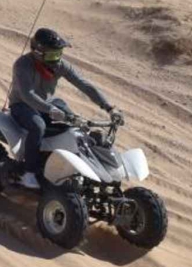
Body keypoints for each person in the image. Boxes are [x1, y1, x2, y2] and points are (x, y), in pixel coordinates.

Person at [7, 28, 119, 189]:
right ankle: (29, 173)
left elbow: (84, 84)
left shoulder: (60, 65)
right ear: (38, 52)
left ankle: (69, 162)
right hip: (22, 105)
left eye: (59, 53)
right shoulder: (22, 65)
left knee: (76, 124)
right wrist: (51, 110)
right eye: (52, 55)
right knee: (38, 127)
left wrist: (109, 107)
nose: (57, 59)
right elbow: (27, 95)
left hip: (49, 103)